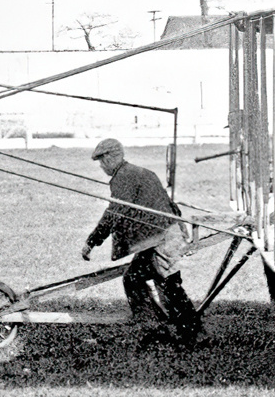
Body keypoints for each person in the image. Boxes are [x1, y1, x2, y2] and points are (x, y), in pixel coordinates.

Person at [81, 138, 203, 345]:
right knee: (137, 279)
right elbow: (170, 205)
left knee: (168, 285)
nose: (101, 167)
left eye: (102, 162)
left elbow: (115, 212)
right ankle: (158, 328)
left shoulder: (124, 177)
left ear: (111, 158)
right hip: (161, 236)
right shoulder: (140, 172)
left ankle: (189, 335)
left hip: (161, 239)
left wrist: (92, 241)